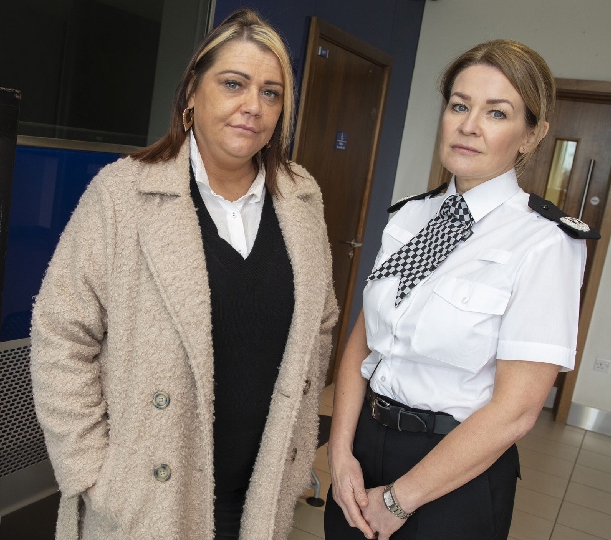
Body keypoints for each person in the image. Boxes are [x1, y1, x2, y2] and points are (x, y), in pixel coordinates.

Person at [30, 9, 338, 540]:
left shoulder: (301, 198)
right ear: (192, 93)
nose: (252, 107)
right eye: (234, 84)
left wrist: (296, 443)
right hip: (147, 498)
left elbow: (323, 321)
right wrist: (93, 475)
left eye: (271, 93)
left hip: (257, 494)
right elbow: (61, 334)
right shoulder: (123, 194)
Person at [325, 39, 598, 540]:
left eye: (497, 113)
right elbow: (363, 344)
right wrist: (340, 454)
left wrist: (397, 501)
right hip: (363, 449)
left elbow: (515, 412)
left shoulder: (544, 243)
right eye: (459, 105)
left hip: (453, 473)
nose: (469, 125)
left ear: (531, 135)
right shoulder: (409, 218)